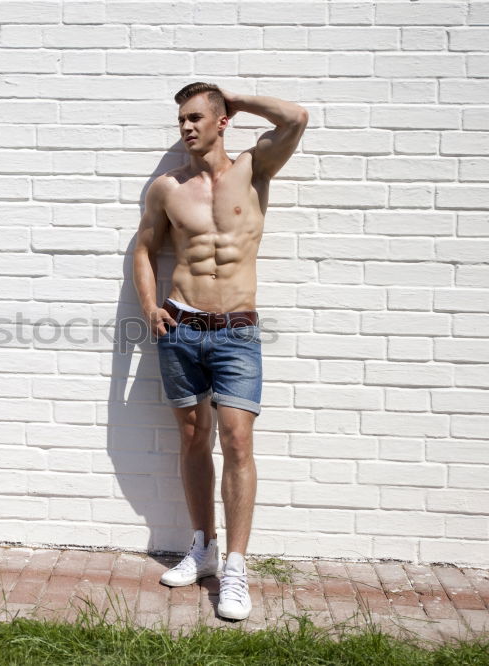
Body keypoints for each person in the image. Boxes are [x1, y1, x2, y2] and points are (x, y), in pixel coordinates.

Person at [132, 82, 308, 621]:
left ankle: (235, 566)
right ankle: (203, 547)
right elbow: (143, 246)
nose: (186, 127)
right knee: (192, 438)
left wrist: (233, 95)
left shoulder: (255, 168)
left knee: (236, 438)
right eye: (181, 119)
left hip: (236, 330)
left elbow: (297, 117)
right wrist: (149, 307)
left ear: (220, 121)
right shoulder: (167, 187)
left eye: (195, 117)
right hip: (180, 326)